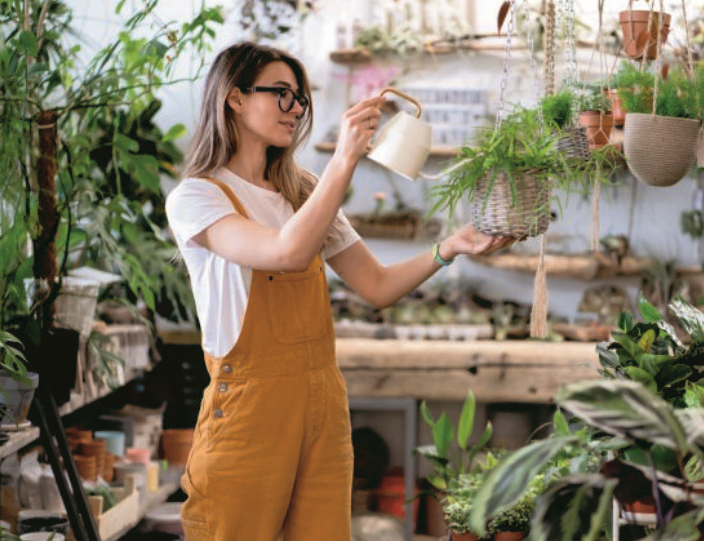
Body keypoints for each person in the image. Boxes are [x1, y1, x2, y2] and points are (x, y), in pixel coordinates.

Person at [165, 41, 516, 541]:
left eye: (300, 99)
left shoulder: (302, 192)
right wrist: (346, 159)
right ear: (235, 98)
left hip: (323, 406)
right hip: (249, 413)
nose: (295, 108)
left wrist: (450, 247)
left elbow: (376, 285)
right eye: (281, 94)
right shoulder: (198, 196)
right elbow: (285, 251)